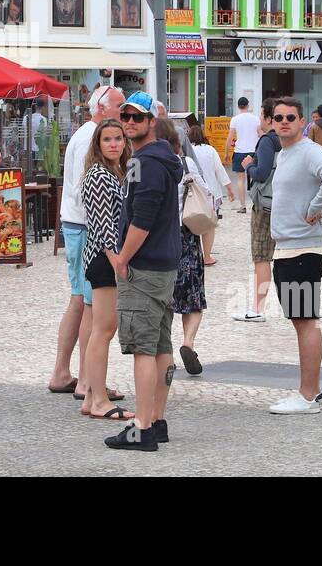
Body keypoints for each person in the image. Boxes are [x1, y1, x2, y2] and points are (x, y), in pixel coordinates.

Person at [104, 92, 182, 452]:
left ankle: (142, 427)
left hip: (145, 266)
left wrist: (121, 259)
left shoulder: (147, 163)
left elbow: (143, 218)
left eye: (138, 117)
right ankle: (158, 420)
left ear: (153, 122)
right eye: (126, 116)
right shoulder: (159, 158)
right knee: (161, 345)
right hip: (164, 264)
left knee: (143, 350)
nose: (130, 122)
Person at [267, 97, 322, 415]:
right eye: (278, 117)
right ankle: (309, 393)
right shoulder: (285, 154)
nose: (284, 121)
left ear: (302, 122)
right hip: (288, 248)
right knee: (302, 321)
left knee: (306, 322)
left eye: (290, 117)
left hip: (303, 249)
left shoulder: (309, 150)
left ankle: (309, 395)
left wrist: (315, 208)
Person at [51, 86, 125, 400]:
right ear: (103, 108)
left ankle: (63, 373)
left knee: (79, 301)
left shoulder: (87, 133)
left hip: (77, 224)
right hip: (85, 227)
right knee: (90, 304)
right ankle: (85, 380)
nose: (125, 114)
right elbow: (92, 192)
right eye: (121, 108)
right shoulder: (92, 138)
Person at [80, 119, 132, 420]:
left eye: (118, 139)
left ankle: (91, 396)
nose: (113, 144)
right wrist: (117, 262)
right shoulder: (99, 174)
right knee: (103, 330)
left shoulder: (117, 171)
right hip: (104, 257)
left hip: (107, 257)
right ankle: (98, 399)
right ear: (97, 145)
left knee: (103, 330)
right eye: (107, 139)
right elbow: (103, 225)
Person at [160, 120, 214, 378]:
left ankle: (164, 353)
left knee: (164, 298)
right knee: (192, 299)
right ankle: (188, 342)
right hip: (186, 237)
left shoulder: (147, 165)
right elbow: (209, 197)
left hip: (158, 238)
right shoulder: (186, 164)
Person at [235, 100, 279, 323]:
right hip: (285, 204)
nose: (259, 119)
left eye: (262, 115)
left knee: (261, 257)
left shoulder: (266, 142)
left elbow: (261, 173)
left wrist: (248, 165)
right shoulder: (288, 140)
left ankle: (258, 307)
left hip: (265, 205)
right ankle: (297, 306)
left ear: (270, 118)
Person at [186, 124, 234, 267]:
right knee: (209, 226)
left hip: (192, 194)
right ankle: (207, 256)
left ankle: (193, 254)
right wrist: (229, 189)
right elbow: (219, 170)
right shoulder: (210, 150)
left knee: (191, 223)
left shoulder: (187, 152)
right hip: (212, 193)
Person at [226, 97, 260, 214]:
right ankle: (257, 204)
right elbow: (260, 134)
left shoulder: (235, 119)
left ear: (238, 106)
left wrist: (226, 153)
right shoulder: (256, 119)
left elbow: (230, 138)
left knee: (240, 179)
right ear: (248, 105)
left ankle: (242, 206)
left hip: (240, 151)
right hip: (254, 152)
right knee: (256, 178)